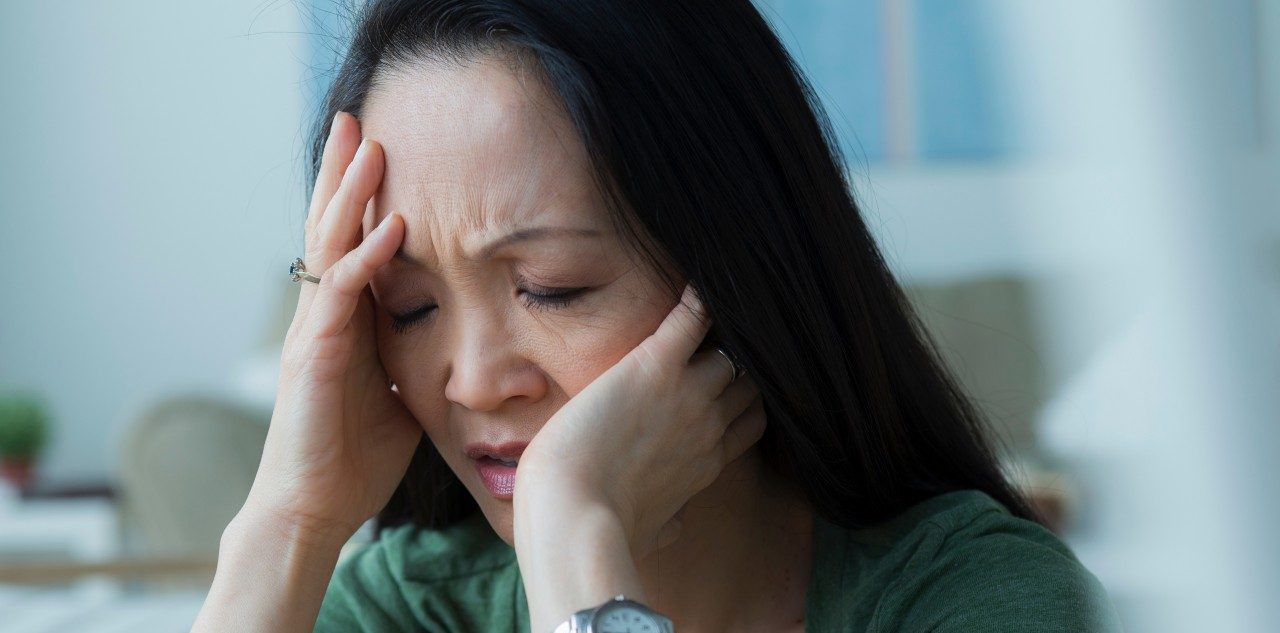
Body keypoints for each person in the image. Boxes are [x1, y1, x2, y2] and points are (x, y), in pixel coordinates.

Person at [193, 1, 1122, 631]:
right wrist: (288, 520)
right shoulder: (414, 607)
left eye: (550, 286)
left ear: (737, 272)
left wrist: (579, 546)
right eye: (411, 306)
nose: (472, 380)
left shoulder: (982, 597)